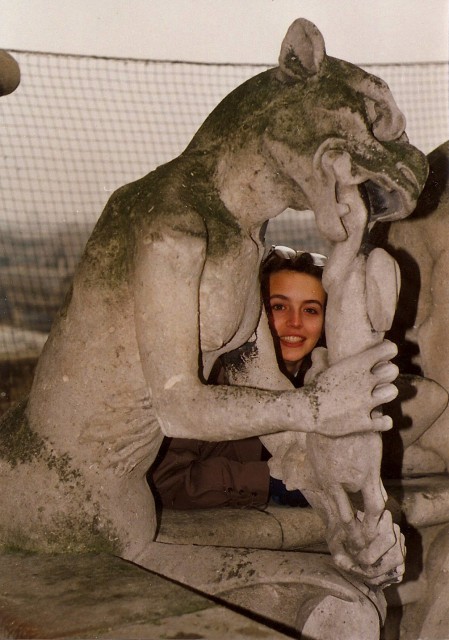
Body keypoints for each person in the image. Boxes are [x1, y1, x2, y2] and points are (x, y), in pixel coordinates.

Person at [149, 246, 327, 510]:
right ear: (254, 313)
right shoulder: (207, 380)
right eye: (278, 306)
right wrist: (268, 481)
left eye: (310, 310)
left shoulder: (323, 382)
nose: (295, 322)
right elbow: (165, 481)